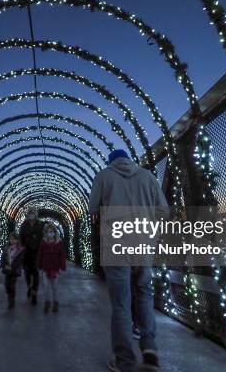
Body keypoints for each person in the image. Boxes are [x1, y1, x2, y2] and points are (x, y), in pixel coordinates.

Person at [89, 149, 168, 372]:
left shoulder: (104, 176)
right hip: (143, 244)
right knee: (144, 293)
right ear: (129, 160)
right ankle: (150, 350)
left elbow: (93, 208)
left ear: (111, 161)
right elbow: (164, 210)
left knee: (121, 303)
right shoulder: (148, 176)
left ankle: (124, 361)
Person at [37, 222, 66, 313]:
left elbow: (62, 255)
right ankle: (47, 302)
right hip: (45, 268)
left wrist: (62, 266)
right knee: (46, 287)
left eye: (52, 231)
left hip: (55, 268)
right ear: (45, 233)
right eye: (48, 232)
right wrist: (39, 266)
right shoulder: (43, 243)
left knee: (55, 287)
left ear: (54, 232)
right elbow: (40, 255)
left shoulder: (58, 243)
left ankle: (55, 303)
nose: (50, 233)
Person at [19, 207, 44, 305]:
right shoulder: (24, 225)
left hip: (37, 252)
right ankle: (29, 286)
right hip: (26, 253)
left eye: (33, 213)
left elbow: (44, 236)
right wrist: (21, 248)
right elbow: (20, 238)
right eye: (29, 213)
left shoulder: (41, 225)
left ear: (36, 214)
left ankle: (34, 294)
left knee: (36, 273)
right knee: (27, 273)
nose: (31, 214)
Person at [2, 232, 25, 309]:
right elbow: (3, 258)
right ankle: (9, 295)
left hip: (14, 271)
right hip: (7, 270)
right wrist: (4, 265)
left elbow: (19, 261)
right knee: (6, 285)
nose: (12, 241)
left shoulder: (20, 250)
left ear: (17, 240)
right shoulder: (6, 248)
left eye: (14, 239)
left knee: (12, 285)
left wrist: (13, 267)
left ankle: (11, 300)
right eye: (11, 239)